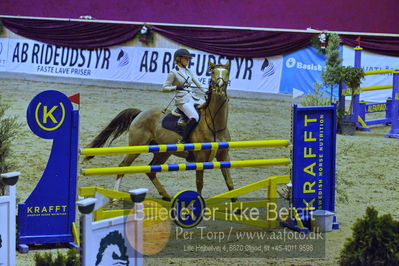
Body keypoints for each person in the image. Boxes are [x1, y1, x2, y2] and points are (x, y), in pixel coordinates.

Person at [162, 48, 207, 143]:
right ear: (178, 59)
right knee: (195, 116)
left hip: (192, 97)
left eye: (188, 59)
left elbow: (198, 84)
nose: (188, 60)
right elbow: (164, 88)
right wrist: (176, 87)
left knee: (207, 106)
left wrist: (207, 91)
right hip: (182, 100)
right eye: (185, 58)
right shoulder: (173, 72)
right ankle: (184, 140)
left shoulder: (189, 71)